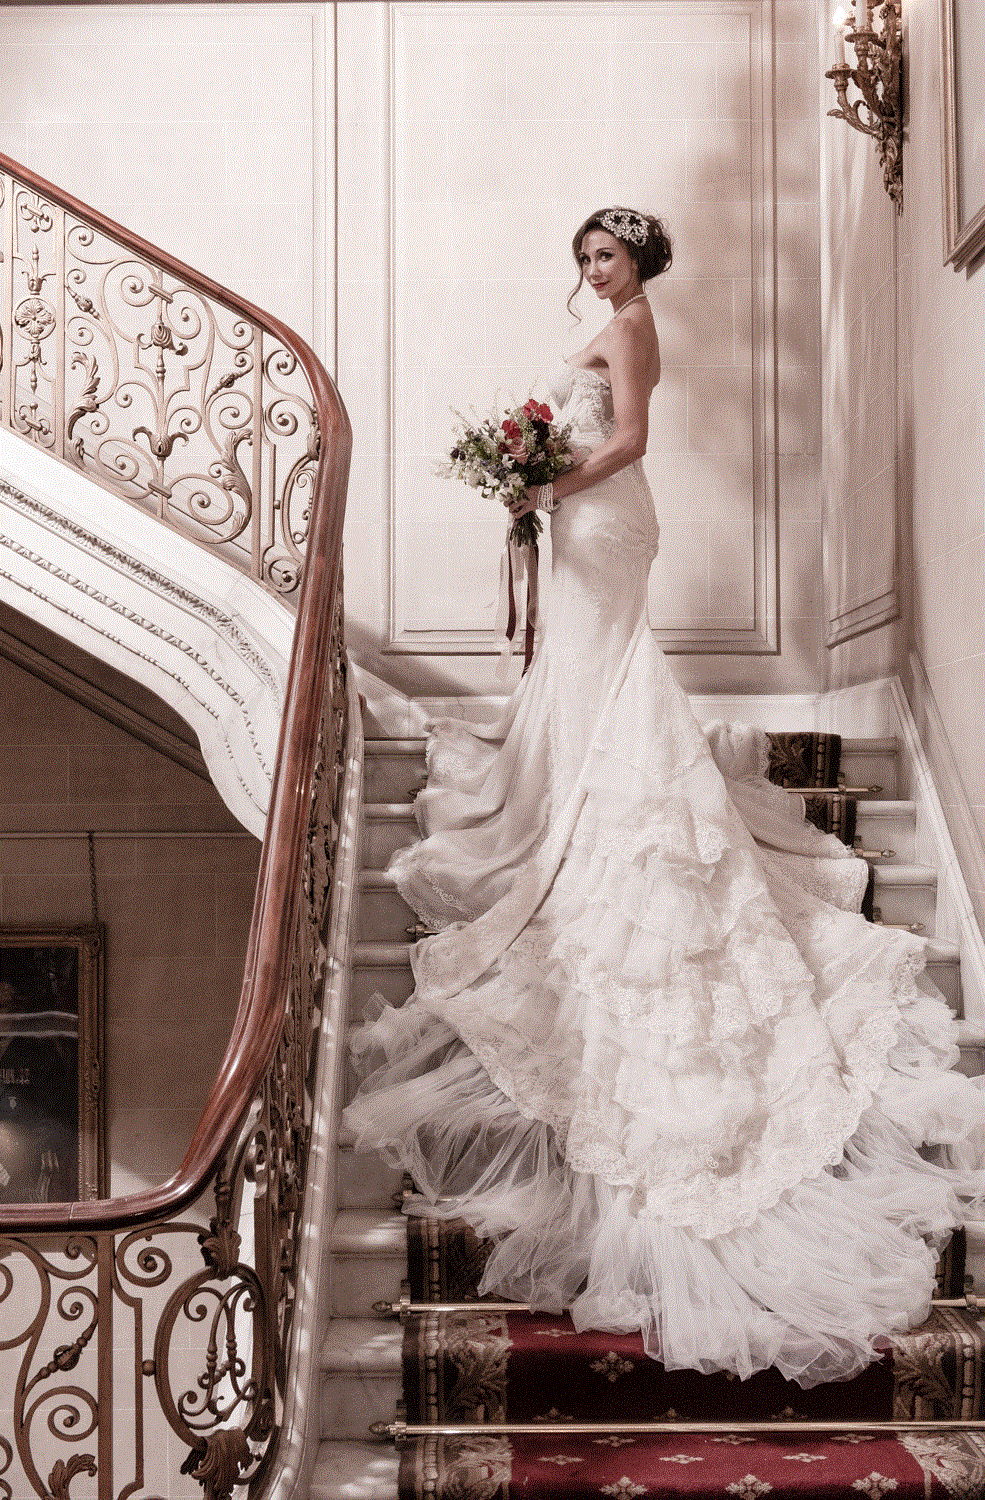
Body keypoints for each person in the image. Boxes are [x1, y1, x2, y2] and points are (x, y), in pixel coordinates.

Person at [344, 206, 985, 1388]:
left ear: (641, 262)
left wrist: (543, 484)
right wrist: (532, 479)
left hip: (600, 522)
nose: (595, 271)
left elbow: (631, 441)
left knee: (602, 681)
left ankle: (589, 819)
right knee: (581, 686)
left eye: (610, 254)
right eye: (584, 255)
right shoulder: (610, 319)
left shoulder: (634, 330)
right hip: (581, 523)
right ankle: (564, 810)